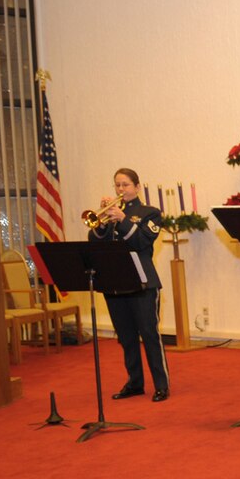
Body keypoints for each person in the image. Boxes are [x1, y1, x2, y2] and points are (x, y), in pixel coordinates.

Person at [88, 168, 169, 402]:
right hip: (115, 281)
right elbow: (95, 241)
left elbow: (143, 241)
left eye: (125, 185)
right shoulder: (111, 214)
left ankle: (161, 385)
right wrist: (101, 224)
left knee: (149, 334)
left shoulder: (150, 213)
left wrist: (123, 221)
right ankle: (135, 382)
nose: (121, 190)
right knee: (125, 337)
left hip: (143, 281)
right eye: (117, 185)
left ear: (136, 187)